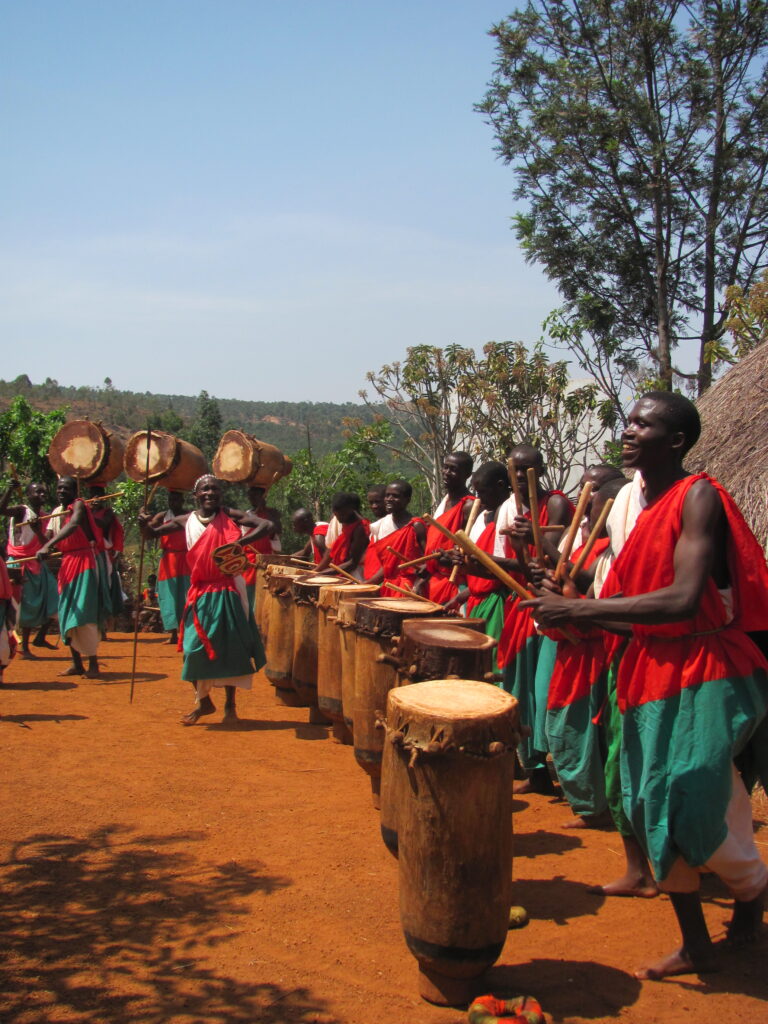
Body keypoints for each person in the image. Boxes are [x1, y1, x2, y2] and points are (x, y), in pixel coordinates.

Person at [523, 392, 768, 979]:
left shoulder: (699, 497)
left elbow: (683, 600)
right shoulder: (640, 505)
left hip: (704, 668)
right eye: (629, 421)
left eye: (644, 424)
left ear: (676, 441)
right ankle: (697, 944)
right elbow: (629, 612)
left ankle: (751, 902)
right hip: (646, 670)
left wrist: (579, 614)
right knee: (647, 800)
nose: (628, 430)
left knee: (691, 795)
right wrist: (572, 604)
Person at [139, 474, 272, 726]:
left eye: (215, 489)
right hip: (200, 591)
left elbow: (265, 526)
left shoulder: (231, 515)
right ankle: (203, 701)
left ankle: (230, 705)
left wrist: (237, 545)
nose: (210, 493)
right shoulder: (185, 521)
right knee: (192, 648)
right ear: (196, 495)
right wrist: (143, 524)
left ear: (221, 494)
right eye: (205, 489)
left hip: (230, 587)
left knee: (231, 646)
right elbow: (151, 535)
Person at [498, 444, 574, 791]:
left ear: (540, 470)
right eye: (514, 469)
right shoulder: (508, 508)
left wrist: (531, 541)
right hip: (522, 604)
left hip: (551, 607)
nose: (519, 476)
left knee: (543, 692)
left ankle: (562, 769)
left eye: (527, 469)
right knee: (518, 688)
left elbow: (552, 563)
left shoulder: (555, 504)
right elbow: (514, 565)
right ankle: (534, 771)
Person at [37, 476, 105, 678]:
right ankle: (77, 664)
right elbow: (47, 541)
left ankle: (93, 664)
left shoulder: (79, 506)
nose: (61, 492)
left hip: (84, 562)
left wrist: (47, 546)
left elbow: (74, 524)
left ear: (75, 491)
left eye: (65, 488)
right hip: (67, 564)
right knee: (67, 613)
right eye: (59, 488)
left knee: (83, 614)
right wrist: (40, 537)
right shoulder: (58, 513)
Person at [0, 479, 58, 656]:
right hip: (17, 562)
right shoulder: (21, 511)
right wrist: (9, 491)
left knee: (52, 597)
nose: (41, 495)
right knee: (23, 603)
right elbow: (1, 509)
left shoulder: (44, 515)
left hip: (35, 562)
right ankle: (22, 645)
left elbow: (46, 544)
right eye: (37, 492)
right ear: (28, 494)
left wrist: (38, 529)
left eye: (44, 492)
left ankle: (37, 638)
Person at [417, 452, 475, 604]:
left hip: (455, 583)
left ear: (467, 474)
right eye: (445, 467)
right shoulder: (444, 501)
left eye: (453, 469)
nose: (446, 473)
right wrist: (428, 565)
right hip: (434, 580)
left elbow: (468, 550)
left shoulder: (469, 505)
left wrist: (450, 559)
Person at [364, 481, 426, 595]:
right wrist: (367, 584)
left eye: (395, 496)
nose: (389, 499)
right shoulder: (381, 525)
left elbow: (429, 560)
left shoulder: (416, 526)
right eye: (387, 495)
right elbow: (389, 566)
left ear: (407, 500)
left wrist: (419, 584)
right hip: (389, 587)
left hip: (410, 588)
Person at [146, 490, 190, 645]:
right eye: (172, 499)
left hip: (186, 559)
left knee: (187, 595)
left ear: (182, 500)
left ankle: (187, 633)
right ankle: (172, 634)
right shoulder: (162, 516)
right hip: (168, 561)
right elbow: (149, 530)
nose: (174, 502)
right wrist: (144, 519)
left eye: (177, 499)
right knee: (168, 597)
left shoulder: (189, 515)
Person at [88, 485, 125, 632]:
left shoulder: (107, 513)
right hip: (87, 553)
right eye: (93, 495)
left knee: (104, 586)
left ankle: (104, 626)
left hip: (102, 554)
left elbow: (102, 524)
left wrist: (86, 513)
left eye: (99, 495)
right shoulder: (84, 511)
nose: (96, 498)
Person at [317, 492, 369, 580]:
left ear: (351, 510)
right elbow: (331, 551)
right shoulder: (346, 524)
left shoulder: (360, 528)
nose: (339, 518)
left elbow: (352, 563)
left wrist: (322, 573)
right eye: (336, 515)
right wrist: (316, 571)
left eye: (342, 515)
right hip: (344, 572)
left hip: (358, 575)